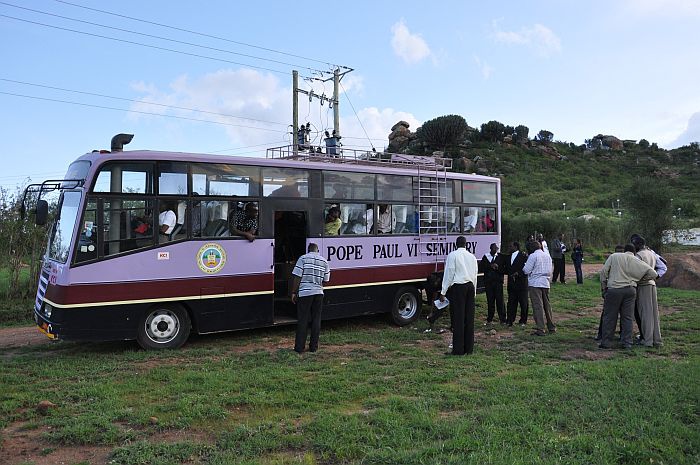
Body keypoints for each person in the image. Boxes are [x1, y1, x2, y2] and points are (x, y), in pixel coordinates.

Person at [599, 243, 657, 349]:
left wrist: (604, 287)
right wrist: (639, 279)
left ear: (624, 250)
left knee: (610, 317)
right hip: (630, 291)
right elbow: (653, 273)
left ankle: (606, 342)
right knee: (627, 318)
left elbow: (603, 272)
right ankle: (627, 343)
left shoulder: (614, 256)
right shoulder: (635, 259)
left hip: (614, 290)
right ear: (634, 252)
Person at [439, 236, 479, 355]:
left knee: (458, 318)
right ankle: (469, 348)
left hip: (459, 287)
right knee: (469, 319)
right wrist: (474, 292)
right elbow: (475, 275)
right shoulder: (472, 257)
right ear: (466, 244)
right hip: (470, 287)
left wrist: (443, 291)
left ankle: (458, 350)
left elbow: (449, 273)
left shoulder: (453, 255)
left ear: (456, 244)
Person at [291, 243, 331, 353]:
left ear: (308, 250)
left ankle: (299, 348)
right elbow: (326, 280)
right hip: (318, 293)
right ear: (317, 250)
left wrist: (294, 292)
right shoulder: (324, 261)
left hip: (304, 293)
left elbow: (297, 276)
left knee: (303, 320)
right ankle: (313, 347)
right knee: (316, 319)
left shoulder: (303, 258)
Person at [631, 235, 663, 347]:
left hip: (643, 286)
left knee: (645, 314)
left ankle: (647, 340)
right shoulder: (651, 253)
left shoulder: (639, 256)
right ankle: (656, 339)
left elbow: (636, 272)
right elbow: (662, 266)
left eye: (634, 244)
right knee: (654, 313)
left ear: (638, 244)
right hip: (652, 284)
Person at [522, 240, 556, 336]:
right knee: (547, 305)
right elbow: (550, 269)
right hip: (545, 282)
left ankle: (540, 328)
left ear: (532, 248)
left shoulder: (533, 256)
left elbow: (526, 270)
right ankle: (551, 326)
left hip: (535, 283)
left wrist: (525, 266)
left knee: (538, 306)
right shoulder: (547, 256)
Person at [481, 243, 506, 325]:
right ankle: (490, 319)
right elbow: (481, 267)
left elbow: (504, 269)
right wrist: (490, 266)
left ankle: (502, 319)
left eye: (497, 248)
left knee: (500, 301)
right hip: (489, 282)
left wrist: (498, 267)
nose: (496, 249)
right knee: (490, 301)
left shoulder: (500, 257)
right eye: (494, 248)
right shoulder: (486, 257)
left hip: (498, 282)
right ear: (491, 248)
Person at [506, 241, 529, 326]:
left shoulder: (523, 256)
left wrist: (519, 273)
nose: (509, 248)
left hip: (522, 283)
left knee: (523, 303)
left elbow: (527, 268)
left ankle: (523, 320)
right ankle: (510, 320)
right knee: (511, 302)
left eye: (510, 246)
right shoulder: (508, 257)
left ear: (515, 247)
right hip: (511, 283)